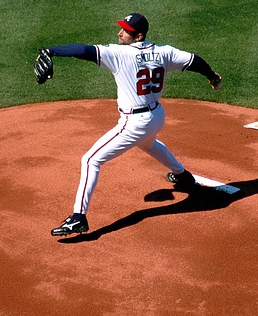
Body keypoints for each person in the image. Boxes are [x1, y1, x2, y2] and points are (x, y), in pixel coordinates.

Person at [45, 13, 222, 236]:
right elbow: (194, 61)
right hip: (156, 116)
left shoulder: (119, 54)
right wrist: (212, 76)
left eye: (125, 31)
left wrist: (52, 50)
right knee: (148, 144)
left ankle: (78, 217)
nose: (120, 33)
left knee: (90, 160)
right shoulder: (164, 52)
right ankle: (183, 176)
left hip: (134, 122)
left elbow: (85, 51)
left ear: (138, 36)